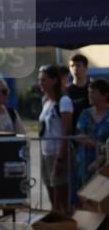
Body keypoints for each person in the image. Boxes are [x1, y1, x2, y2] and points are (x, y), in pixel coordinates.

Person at [38, 64, 73, 213]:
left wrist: (60, 157)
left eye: (44, 80)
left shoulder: (64, 101)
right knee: (51, 193)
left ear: (54, 80)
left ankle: (66, 224)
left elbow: (66, 130)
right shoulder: (45, 101)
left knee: (61, 194)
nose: (41, 83)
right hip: (46, 153)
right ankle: (57, 223)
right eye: (40, 80)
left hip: (58, 154)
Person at [75, 78, 109, 192]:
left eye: (93, 92)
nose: (90, 95)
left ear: (104, 95)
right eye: (89, 92)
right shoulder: (86, 113)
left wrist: (101, 154)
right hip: (84, 162)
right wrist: (98, 145)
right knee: (83, 195)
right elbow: (79, 136)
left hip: (105, 164)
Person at [67, 53, 91, 130]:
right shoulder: (67, 90)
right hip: (73, 132)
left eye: (78, 65)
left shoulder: (92, 88)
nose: (75, 68)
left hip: (92, 132)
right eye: (72, 66)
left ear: (86, 68)